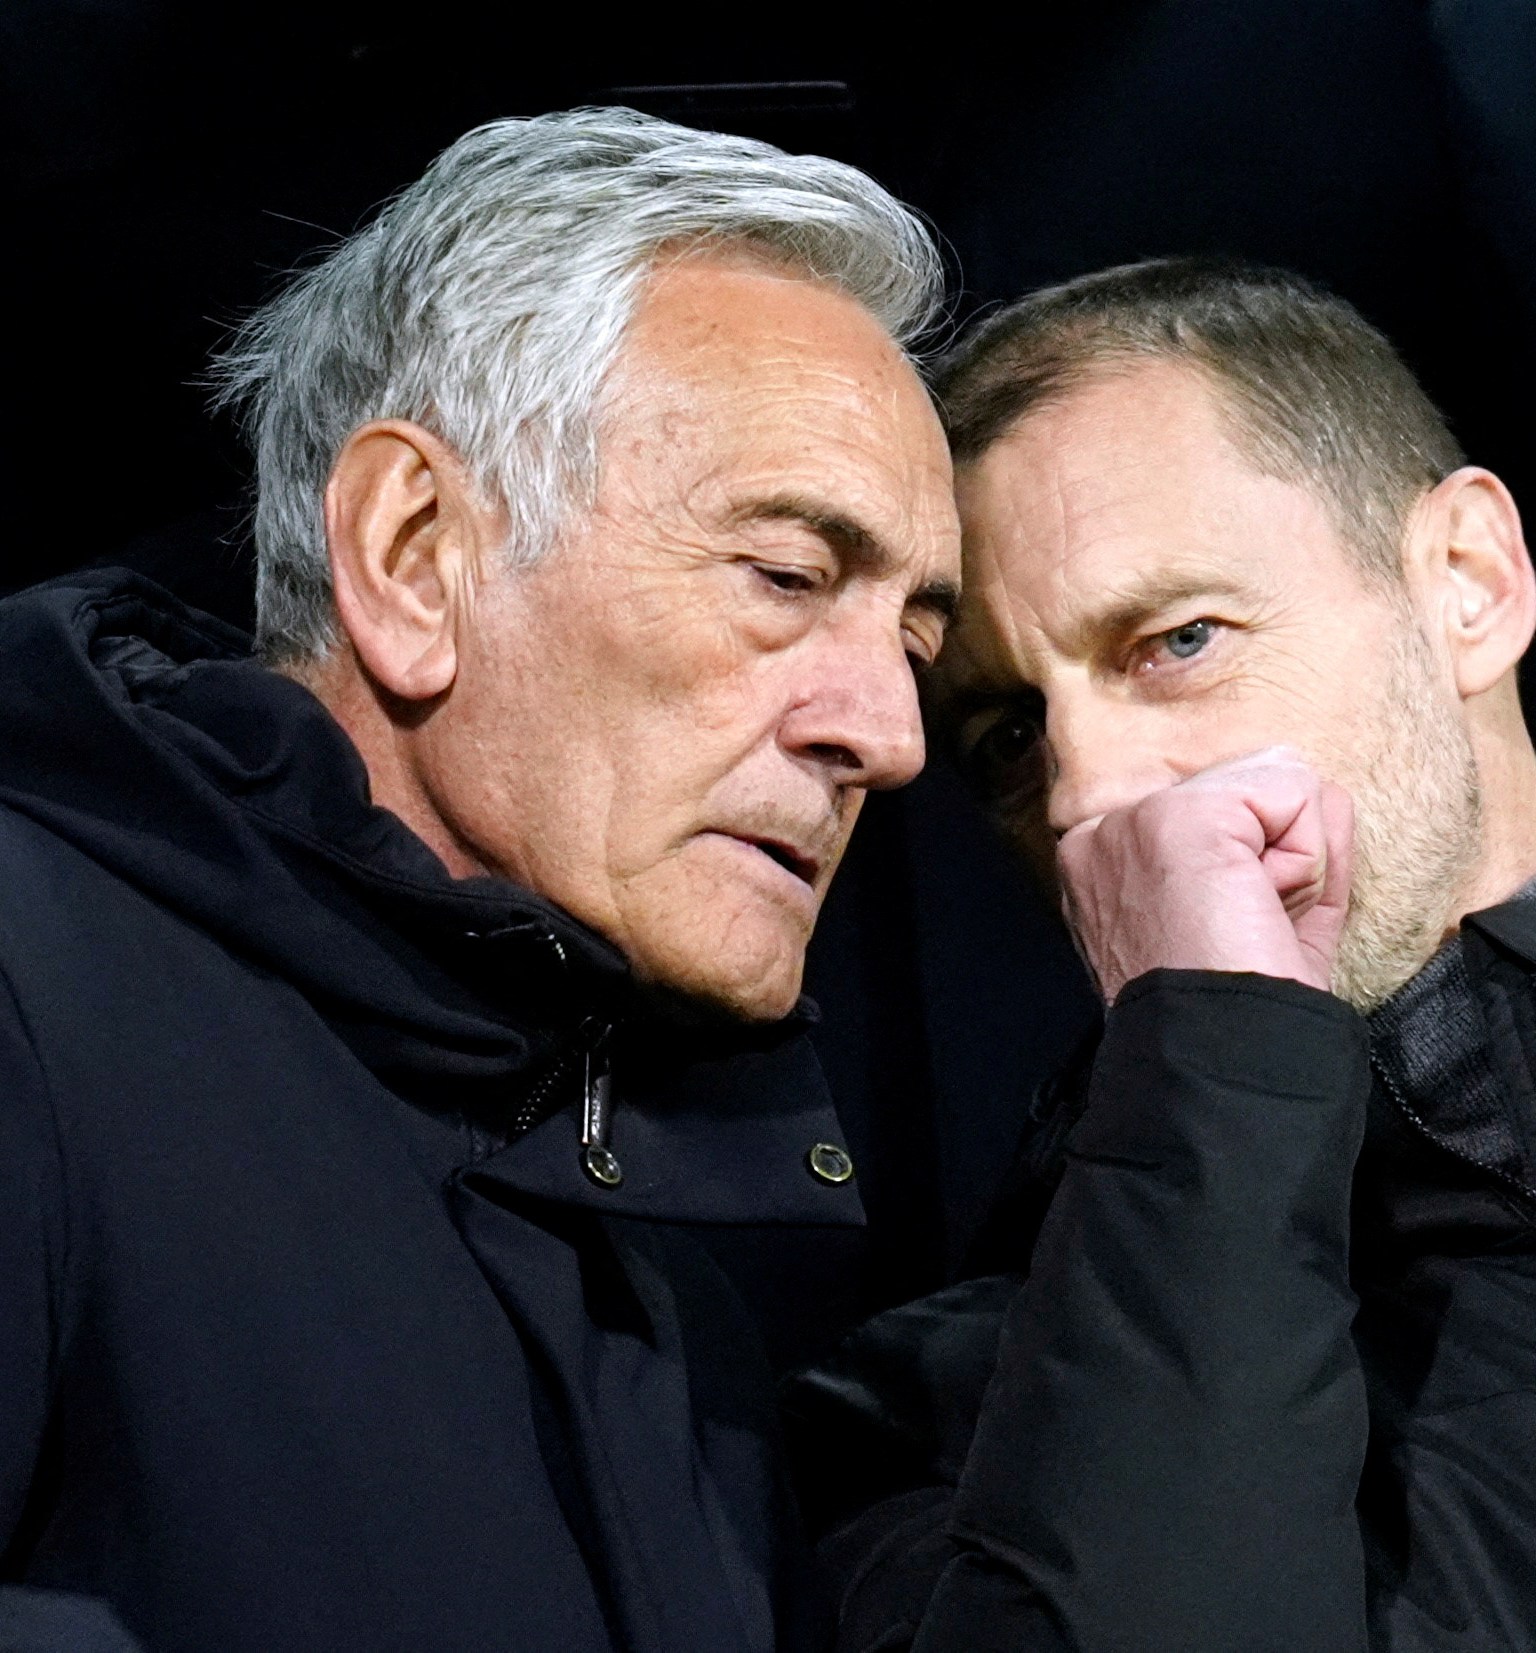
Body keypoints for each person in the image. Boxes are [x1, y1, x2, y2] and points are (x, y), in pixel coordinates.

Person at [0, 107, 964, 1652]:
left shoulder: (679, 1295)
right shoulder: (31, 995)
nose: (892, 734)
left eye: (913, 641)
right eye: (787, 576)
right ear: (414, 555)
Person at [789, 260, 1536, 1652]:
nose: (1086, 793)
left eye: (1178, 641)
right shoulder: (960, 1414)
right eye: (1010, 737)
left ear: (1469, 584)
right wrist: (1215, 1060)